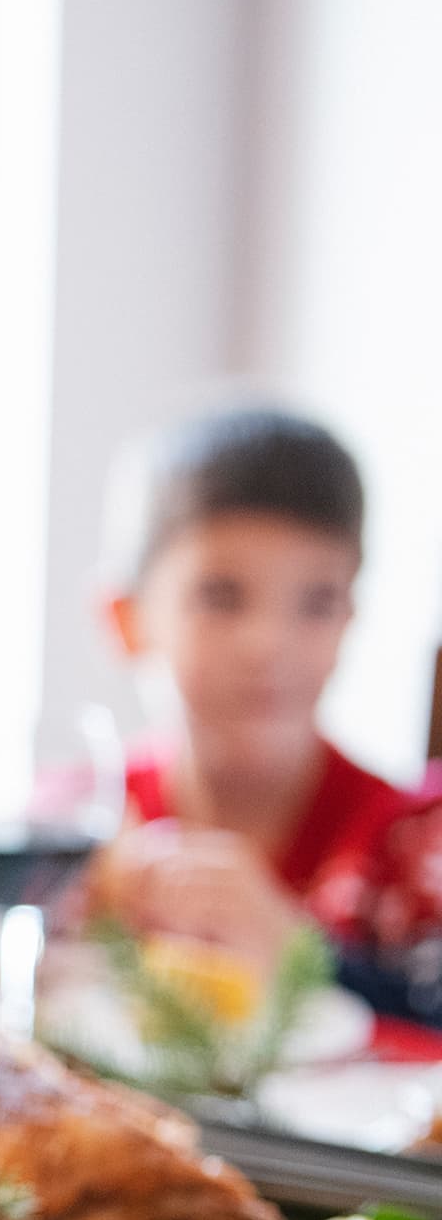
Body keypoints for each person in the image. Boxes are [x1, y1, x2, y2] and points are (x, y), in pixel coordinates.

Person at [88, 404, 411, 971]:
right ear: (127, 619)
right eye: (221, 596)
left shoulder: (410, 851)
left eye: (317, 602)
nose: (268, 643)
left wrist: (304, 960)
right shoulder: (80, 823)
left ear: (350, 621)